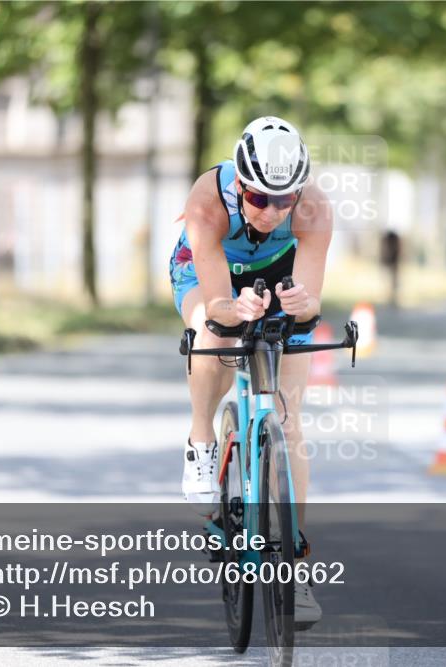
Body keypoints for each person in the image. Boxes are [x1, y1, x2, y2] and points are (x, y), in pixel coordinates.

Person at [168, 116, 332, 625]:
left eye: (283, 201)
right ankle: (201, 440)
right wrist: (229, 310)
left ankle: (295, 568)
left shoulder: (313, 208)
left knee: (288, 418)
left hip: (276, 272)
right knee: (213, 335)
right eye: (261, 199)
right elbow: (217, 304)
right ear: (240, 185)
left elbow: (308, 308)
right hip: (208, 268)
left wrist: (300, 306)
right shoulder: (206, 200)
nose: (272, 210)